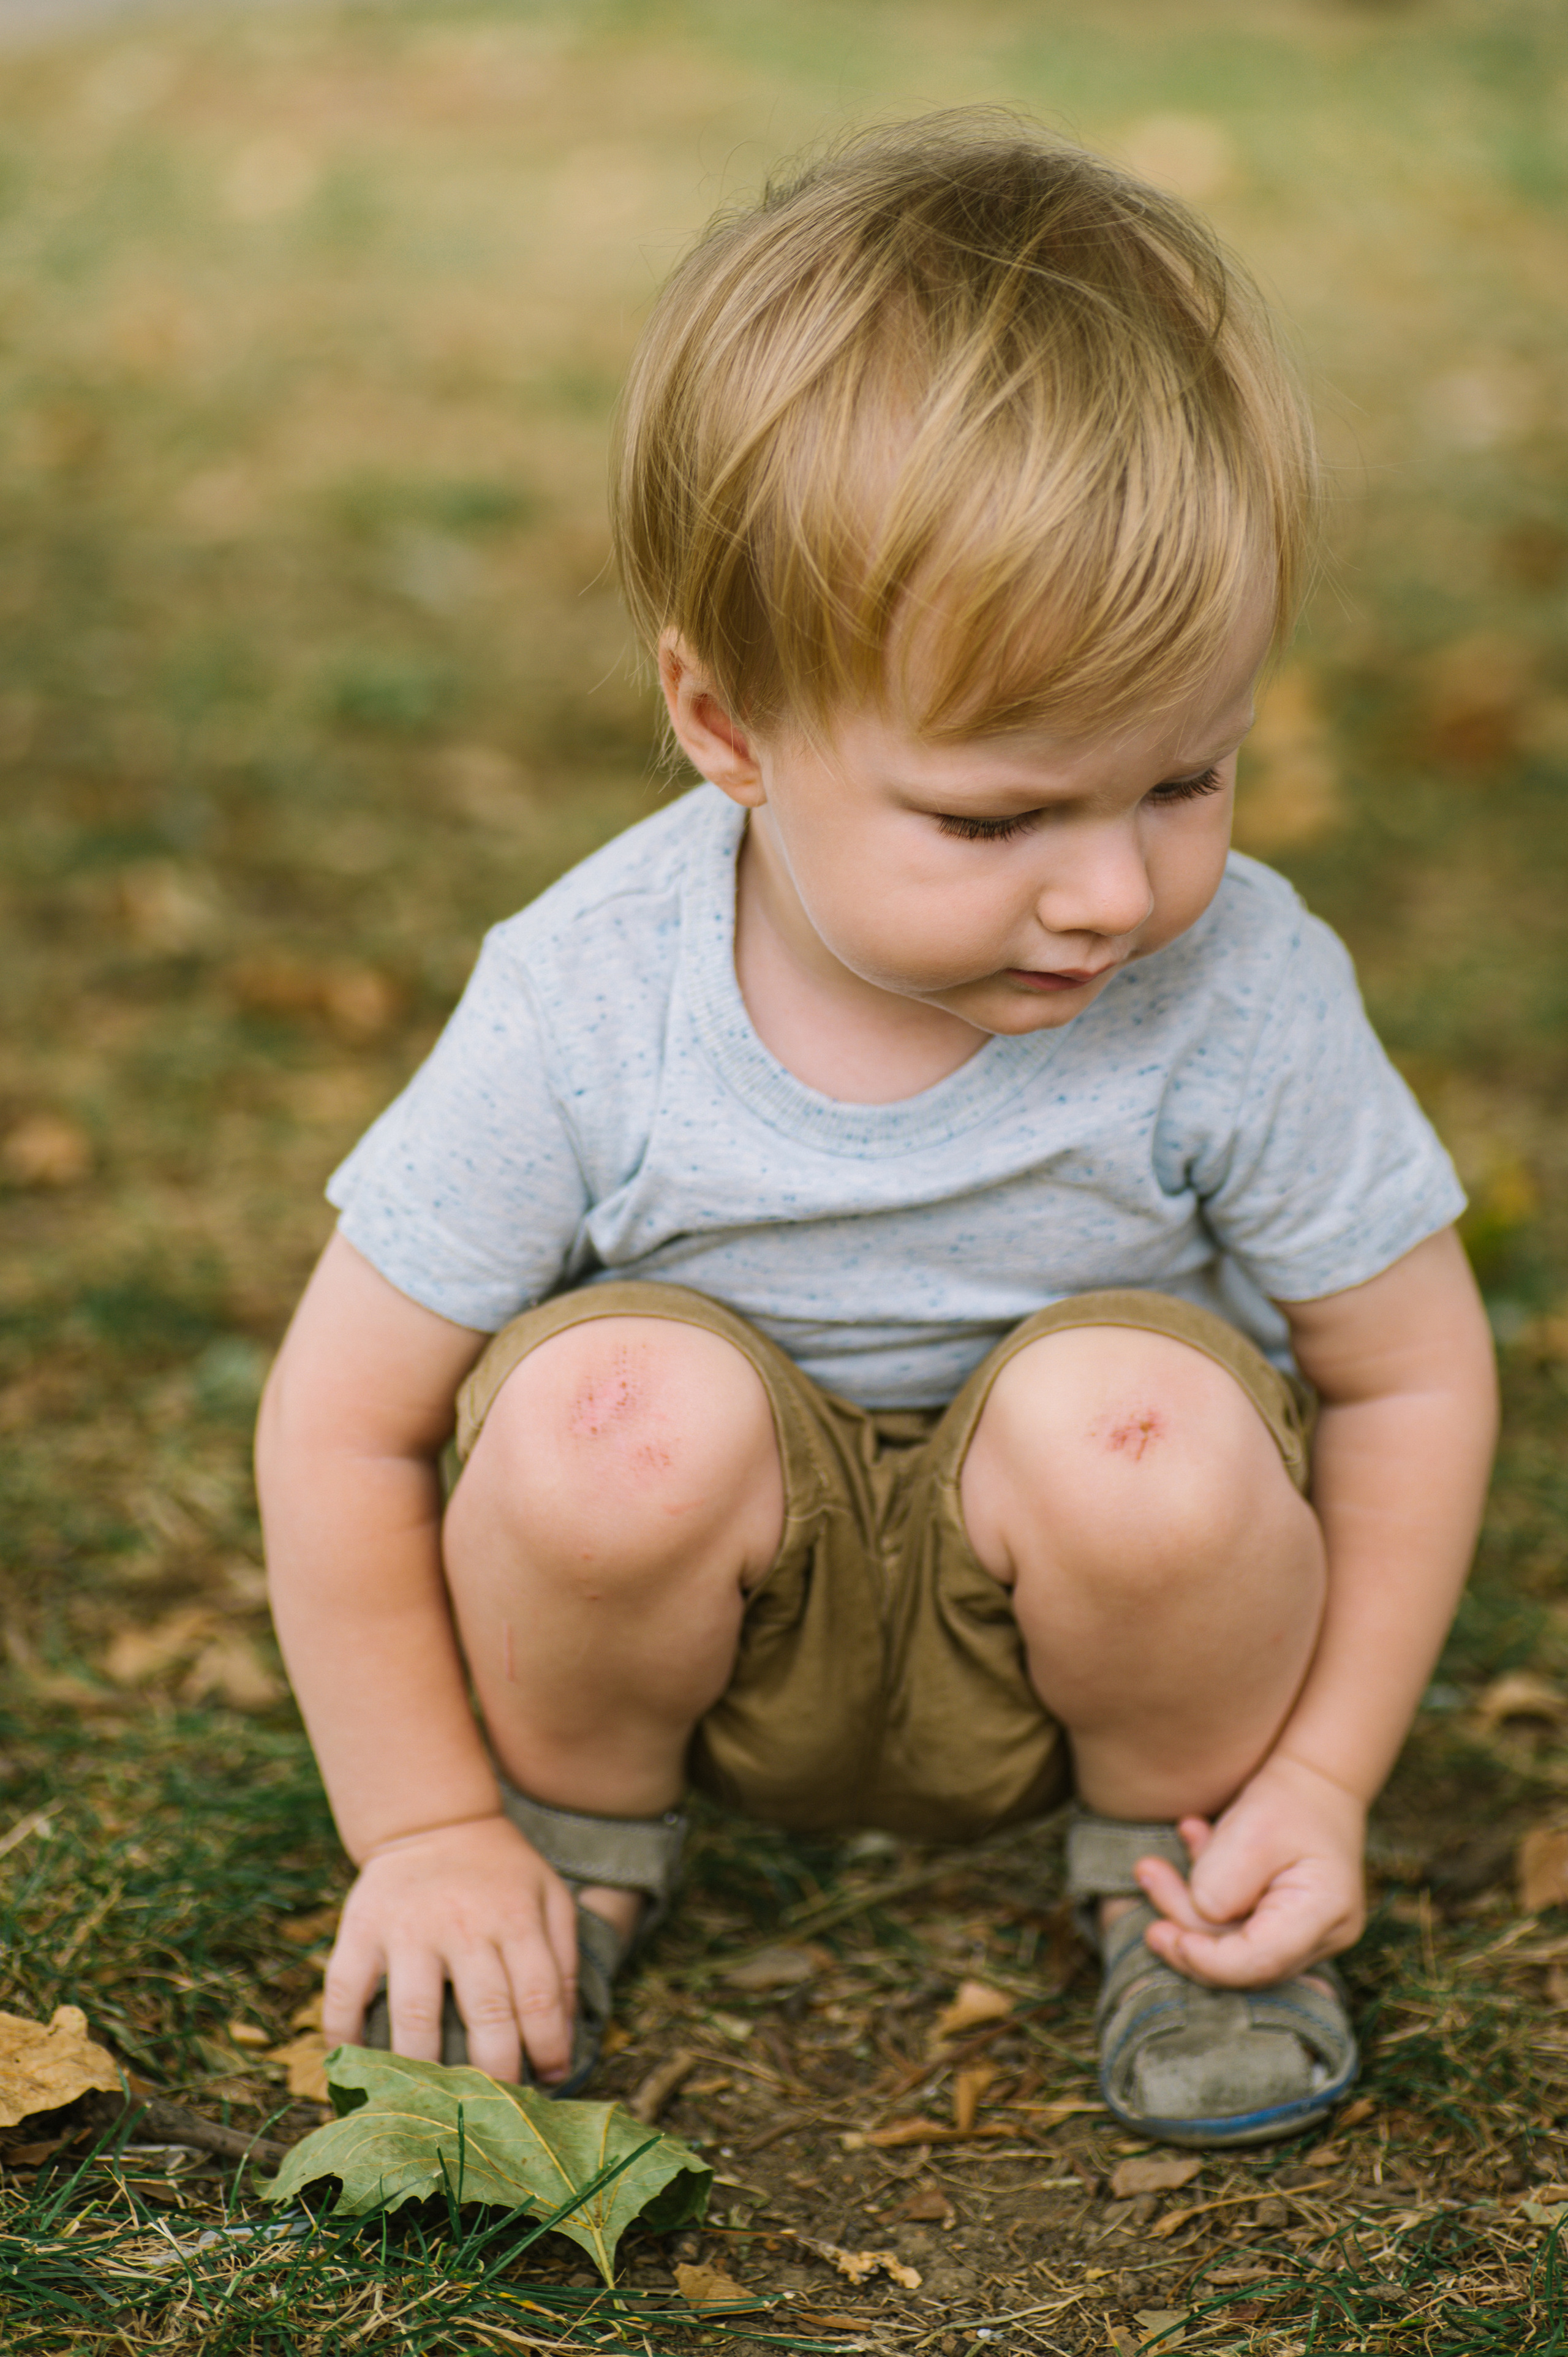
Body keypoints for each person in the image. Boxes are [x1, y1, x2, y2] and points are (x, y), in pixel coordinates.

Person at [255, 113, 1498, 2150]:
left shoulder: (1242, 987)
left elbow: (1414, 1376)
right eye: (999, 818)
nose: (1110, 892)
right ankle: (572, 1848)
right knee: (607, 1413)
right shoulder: (591, 991)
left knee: (1146, 1427)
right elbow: (338, 1419)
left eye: (1188, 778)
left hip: (1105, 1640)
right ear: (726, 724)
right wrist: (425, 1820)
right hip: (709, 1646)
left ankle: (1180, 1881)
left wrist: (1323, 1776)